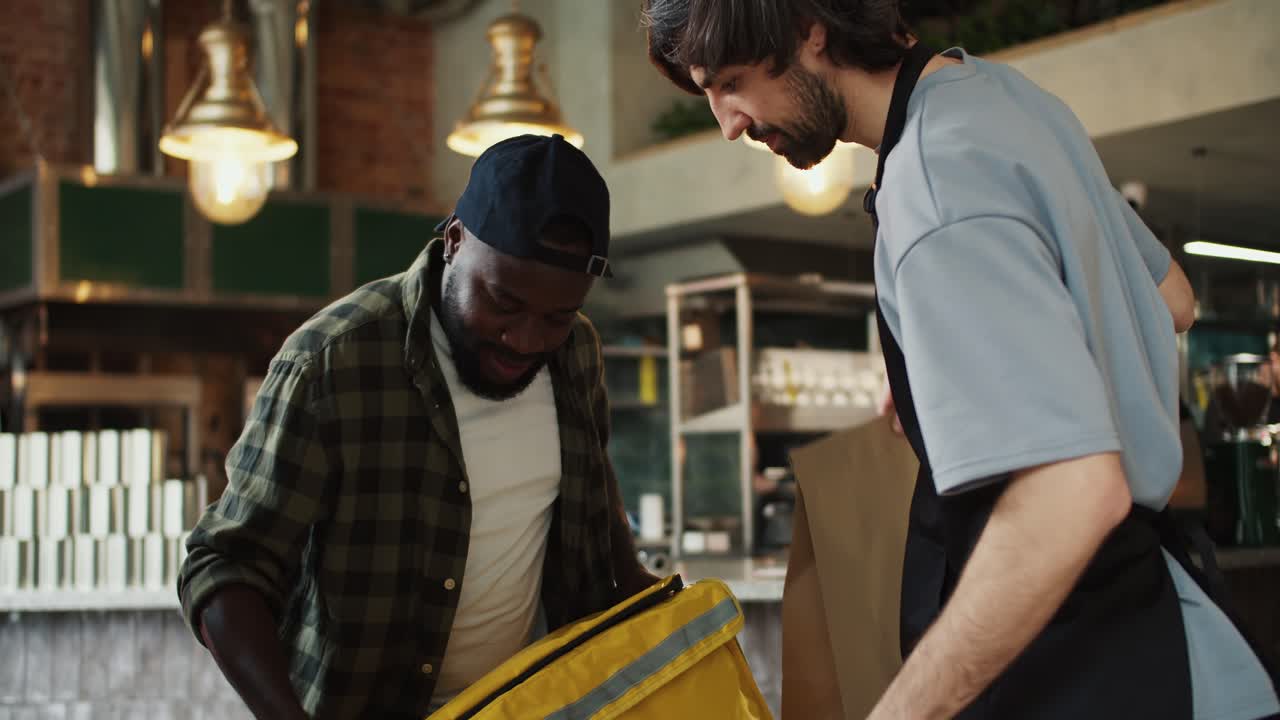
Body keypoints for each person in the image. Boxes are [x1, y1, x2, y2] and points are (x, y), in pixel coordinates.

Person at [642, 1, 1279, 718]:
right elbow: (1171, 298)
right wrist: (975, 358)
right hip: (1176, 634)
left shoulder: (934, 183)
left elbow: (1070, 497)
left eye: (729, 82)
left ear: (805, 31)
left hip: (1091, 659)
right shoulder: (1002, 98)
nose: (728, 123)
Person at [177, 134, 658, 719]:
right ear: (453, 240)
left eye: (555, 316)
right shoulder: (333, 362)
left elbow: (597, 512)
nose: (526, 340)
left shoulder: (578, 350)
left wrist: (652, 599)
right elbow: (225, 566)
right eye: (503, 303)